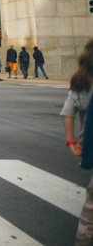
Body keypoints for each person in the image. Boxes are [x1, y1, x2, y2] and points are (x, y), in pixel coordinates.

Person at [64, 38, 93, 244]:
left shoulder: (81, 82)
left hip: (89, 144)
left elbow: (68, 113)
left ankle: (82, 239)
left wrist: (71, 141)